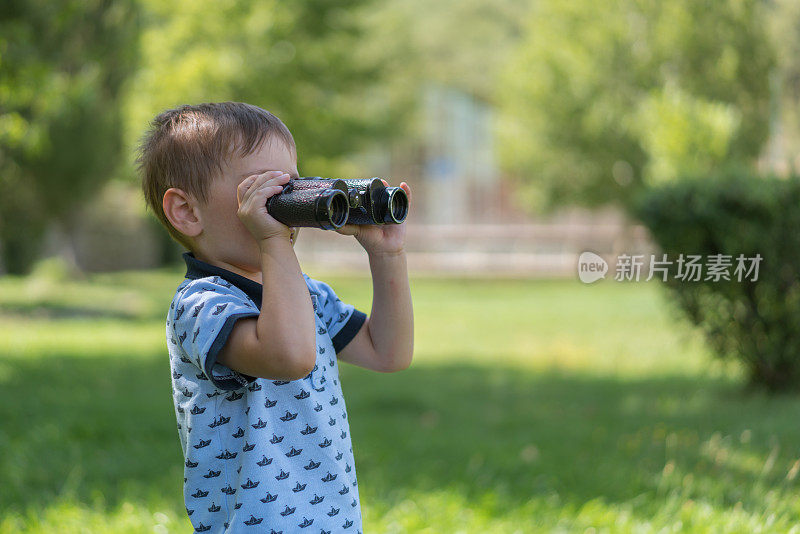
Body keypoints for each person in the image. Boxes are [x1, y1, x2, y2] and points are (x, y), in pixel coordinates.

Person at [136, 101, 414, 533]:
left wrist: (387, 252)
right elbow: (290, 357)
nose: (286, 206)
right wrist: (276, 243)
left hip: (333, 520)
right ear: (188, 212)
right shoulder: (200, 305)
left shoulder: (306, 294)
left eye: (293, 187)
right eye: (265, 192)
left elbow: (389, 352)